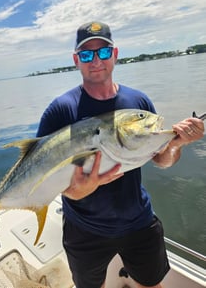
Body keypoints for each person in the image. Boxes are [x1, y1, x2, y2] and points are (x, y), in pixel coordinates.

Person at [36, 21, 204, 288]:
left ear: (115, 55)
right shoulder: (60, 111)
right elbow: (43, 173)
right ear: (76, 60)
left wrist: (176, 145)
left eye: (103, 52)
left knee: (151, 285)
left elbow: (160, 160)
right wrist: (79, 191)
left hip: (138, 221)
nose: (96, 61)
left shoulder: (139, 103)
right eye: (87, 54)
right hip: (84, 229)